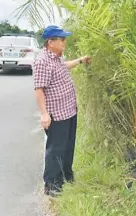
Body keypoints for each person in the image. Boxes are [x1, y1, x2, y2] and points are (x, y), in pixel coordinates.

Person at [33, 25, 91, 196]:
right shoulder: (42, 61)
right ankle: (52, 185)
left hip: (69, 110)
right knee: (56, 149)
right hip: (56, 114)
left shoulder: (56, 57)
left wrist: (80, 60)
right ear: (51, 42)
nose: (65, 42)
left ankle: (66, 176)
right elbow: (39, 89)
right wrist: (44, 114)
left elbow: (64, 66)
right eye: (62, 39)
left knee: (68, 147)